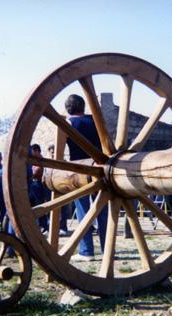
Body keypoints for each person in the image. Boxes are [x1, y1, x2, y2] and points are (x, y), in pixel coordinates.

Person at [65, 94, 107, 261]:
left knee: (83, 211)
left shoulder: (69, 123)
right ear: (83, 107)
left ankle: (86, 251)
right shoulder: (95, 122)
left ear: (68, 108)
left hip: (79, 169)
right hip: (98, 168)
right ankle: (106, 248)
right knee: (102, 210)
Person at [30, 144, 48, 232]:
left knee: (41, 206)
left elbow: (39, 172)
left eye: (32, 151)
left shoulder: (42, 161)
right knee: (35, 206)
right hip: (33, 185)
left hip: (40, 185)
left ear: (37, 150)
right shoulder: (33, 161)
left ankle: (44, 225)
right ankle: (38, 225)